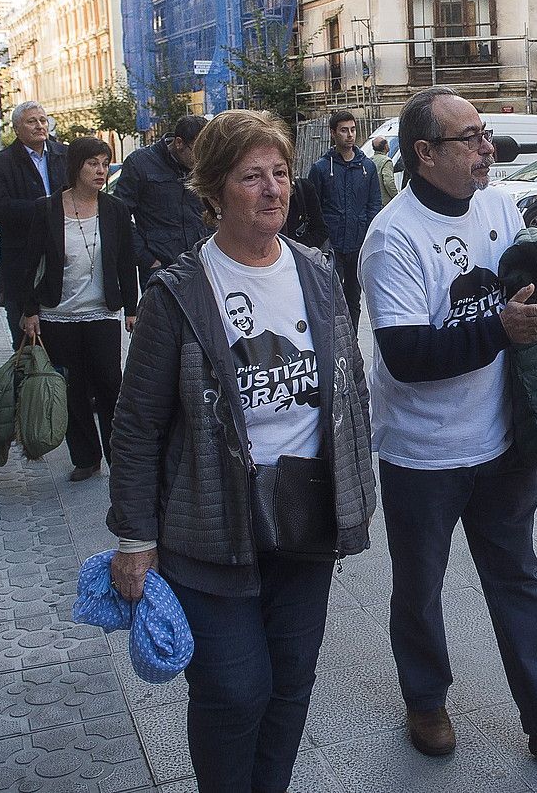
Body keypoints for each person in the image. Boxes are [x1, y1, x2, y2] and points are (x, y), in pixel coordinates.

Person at [105, 109, 376, 792]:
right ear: (215, 189)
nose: (273, 189)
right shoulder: (179, 292)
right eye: (251, 176)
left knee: (289, 684)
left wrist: (357, 493)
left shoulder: (317, 272)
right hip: (210, 523)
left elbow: (350, 388)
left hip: (305, 516)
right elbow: (136, 424)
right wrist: (135, 536)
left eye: (280, 173)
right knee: (235, 689)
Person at [358, 85, 537, 764]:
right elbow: (409, 355)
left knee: (518, 578)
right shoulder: (392, 238)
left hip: (503, 439)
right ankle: (426, 701)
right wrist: (504, 329)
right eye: (470, 138)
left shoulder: (500, 207)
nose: (488, 148)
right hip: (422, 452)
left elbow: (525, 295)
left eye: (485, 135)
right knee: (419, 588)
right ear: (424, 153)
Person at [18, 137, 137, 482]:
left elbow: (126, 262)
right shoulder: (47, 208)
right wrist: (30, 311)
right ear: (76, 167)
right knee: (72, 389)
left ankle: (120, 457)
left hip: (101, 311)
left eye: (105, 163)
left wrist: (132, 307)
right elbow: (31, 263)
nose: (101, 171)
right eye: (93, 164)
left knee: (110, 384)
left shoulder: (115, 208)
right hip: (57, 313)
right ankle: (86, 457)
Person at [0, 101, 67, 348]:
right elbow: (1, 207)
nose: (39, 126)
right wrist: (45, 208)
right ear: (16, 128)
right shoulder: (2, 163)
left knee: (62, 347)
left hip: (63, 259)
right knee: (27, 348)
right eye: (31, 121)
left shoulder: (64, 155)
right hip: (21, 263)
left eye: (43, 120)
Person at [113, 115, 209, 287]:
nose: (202, 159)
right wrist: (146, 258)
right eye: (197, 151)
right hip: (160, 269)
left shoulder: (203, 167)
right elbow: (119, 215)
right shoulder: (140, 163)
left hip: (201, 263)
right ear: (179, 143)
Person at [308, 110, 381, 330]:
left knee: (353, 297)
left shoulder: (367, 167)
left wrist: (368, 235)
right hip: (332, 244)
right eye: (343, 130)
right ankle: (332, 339)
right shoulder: (321, 168)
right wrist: (321, 238)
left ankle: (353, 340)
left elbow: (373, 205)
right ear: (333, 133)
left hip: (357, 243)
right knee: (330, 296)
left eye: (352, 129)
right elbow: (314, 207)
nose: (349, 135)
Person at [281, 175, 330, 252]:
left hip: (298, 256)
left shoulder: (304, 189)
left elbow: (321, 230)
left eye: (280, 173)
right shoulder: (261, 194)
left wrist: (297, 250)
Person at [372, 136, 398, 205]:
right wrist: (396, 196)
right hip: (384, 203)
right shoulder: (386, 161)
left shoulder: (370, 160)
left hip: (373, 202)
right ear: (386, 146)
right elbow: (388, 182)